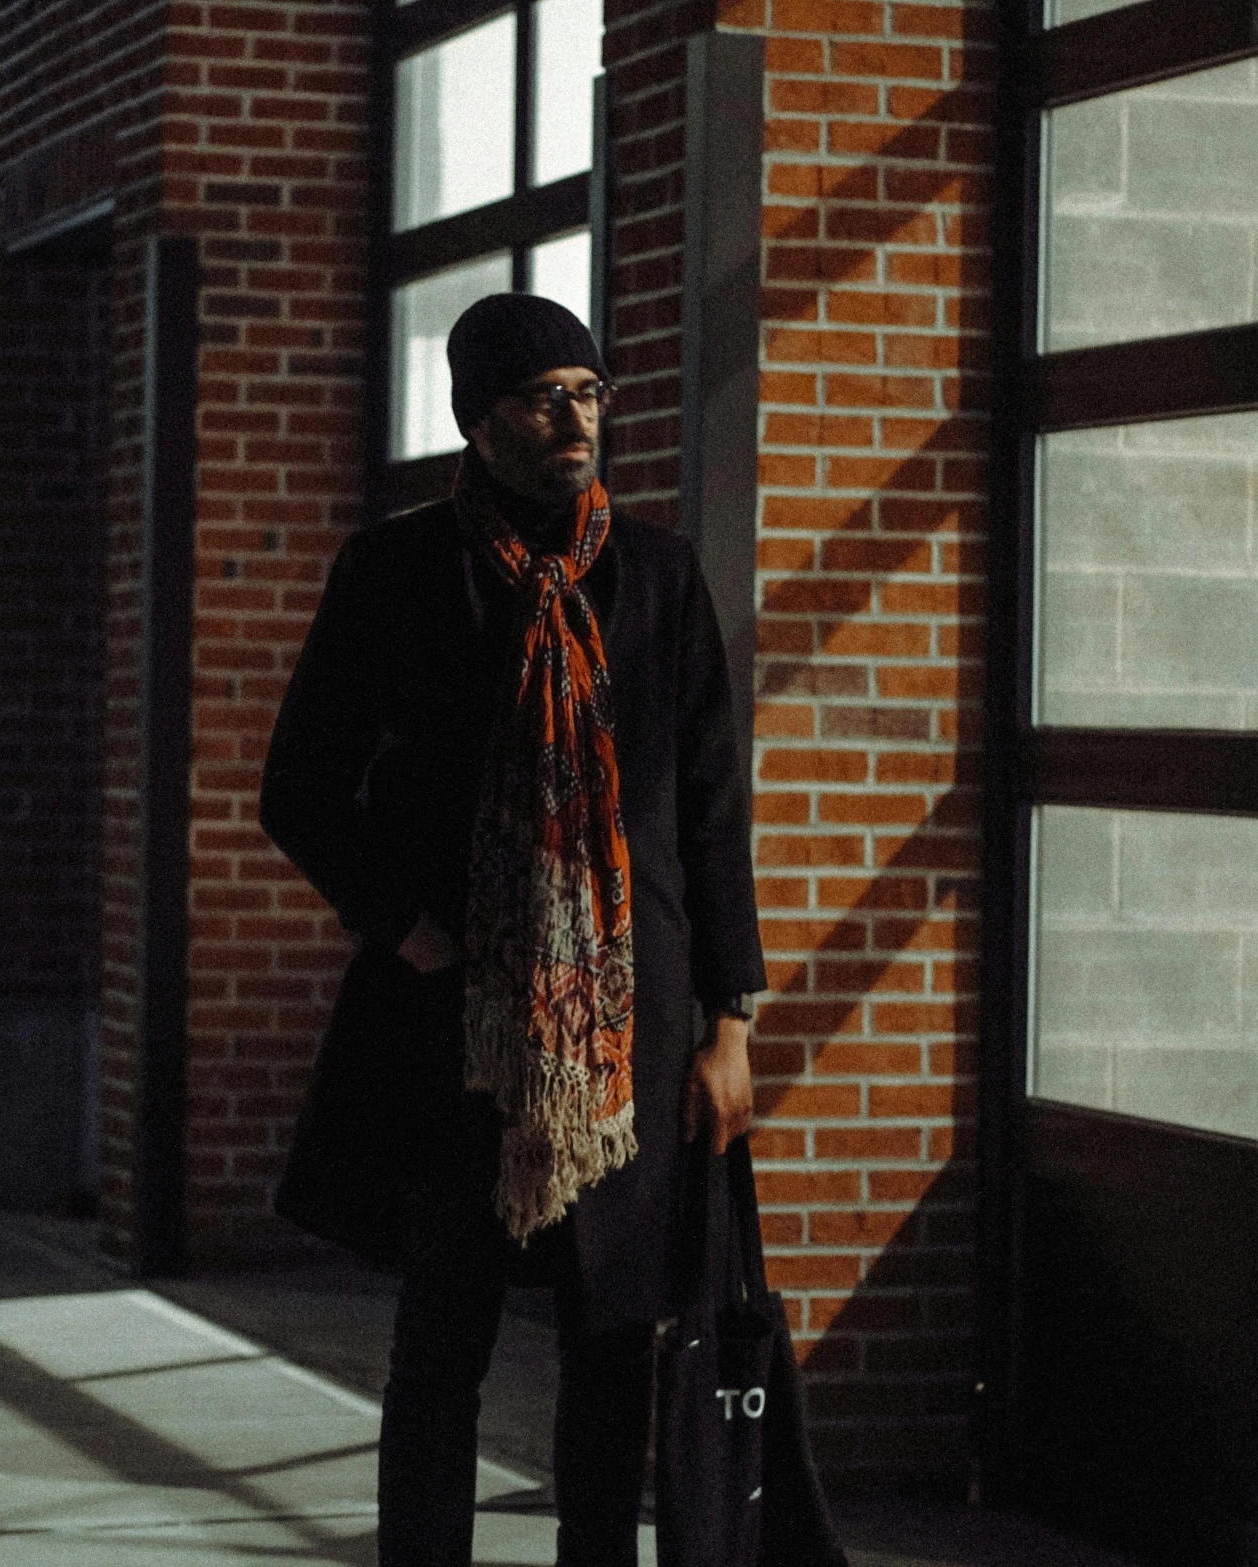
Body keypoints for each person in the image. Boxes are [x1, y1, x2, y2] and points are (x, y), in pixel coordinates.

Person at [260, 292, 767, 1567]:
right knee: (444, 1339)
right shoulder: (396, 572)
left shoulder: (653, 576)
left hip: (624, 1033)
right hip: (459, 1032)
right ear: (480, 422)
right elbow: (301, 785)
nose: (573, 418)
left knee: (613, 1343)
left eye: (588, 392)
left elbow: (709, 811)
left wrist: (730, 1021)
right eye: (543, 397)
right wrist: (405, 926)